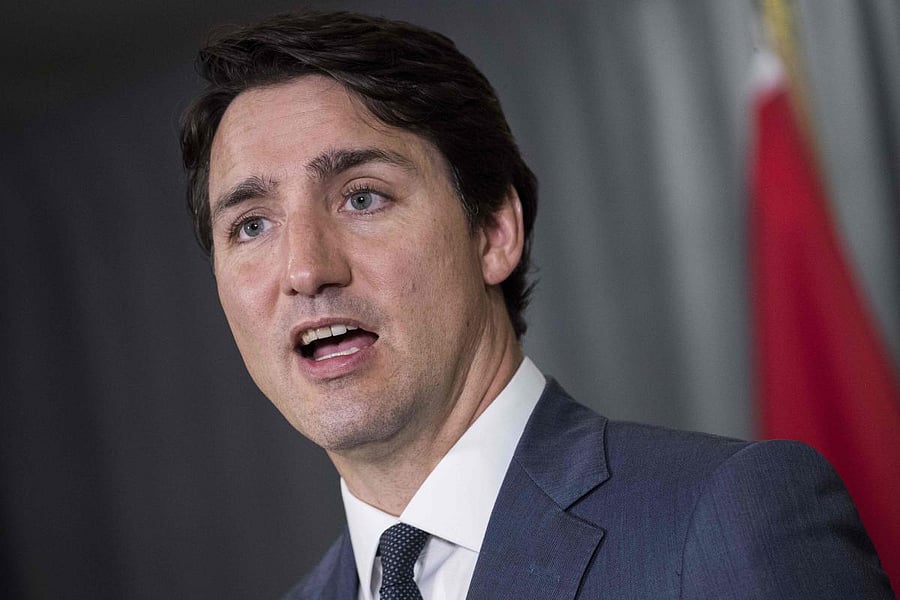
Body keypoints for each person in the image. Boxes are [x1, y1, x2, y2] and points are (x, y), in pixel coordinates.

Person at [180, 11, 893, 600]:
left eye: (363, 197)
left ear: (495, 231)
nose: (305, 268)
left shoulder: (730, 522)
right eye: (251, 225)